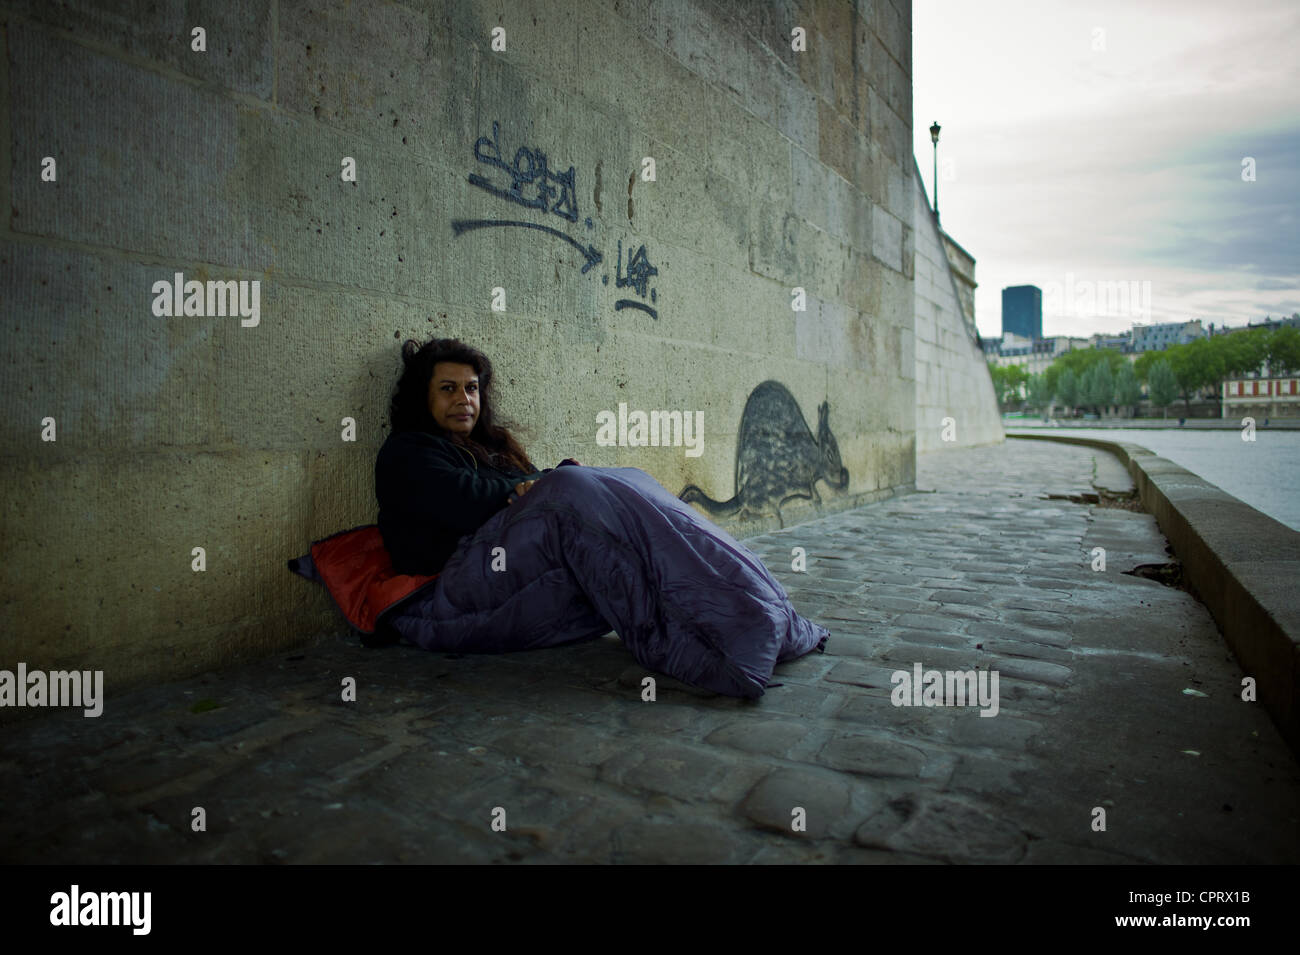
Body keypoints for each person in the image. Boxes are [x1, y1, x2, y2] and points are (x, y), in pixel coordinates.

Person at [372, 337, 829, 697]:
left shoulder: (488, 448)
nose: (463, 400)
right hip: (451, 590)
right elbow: (464, 499)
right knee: (568, 490)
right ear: (422, 398)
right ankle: (717, 645)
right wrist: (528, 485)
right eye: (448, 389)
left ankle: (767, 611)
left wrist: (541, 480)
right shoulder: (408, 451)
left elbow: (517, 491)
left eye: (471, 389)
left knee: (624, 478)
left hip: (494, 567)